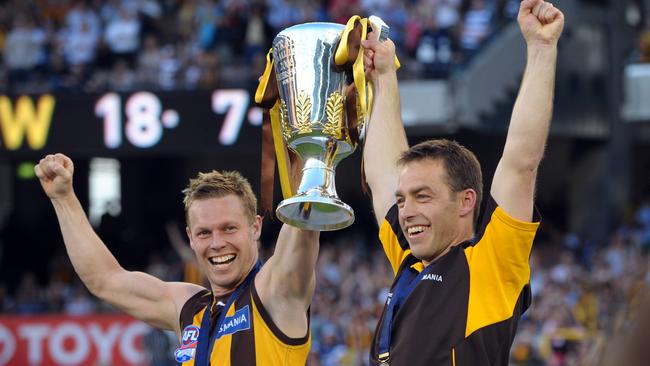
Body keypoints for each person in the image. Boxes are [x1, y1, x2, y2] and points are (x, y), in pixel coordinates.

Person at [361, 0, 564, 365]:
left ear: (466, 201)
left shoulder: (489, 262)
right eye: (403, 199)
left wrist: (541, 49)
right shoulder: (409, 262)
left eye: (422, 196)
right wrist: (384, 75)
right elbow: (381, 176)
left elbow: (521, 162)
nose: (406, 212)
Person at [35, 154, 318, 365]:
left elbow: (301, 235)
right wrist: (63, 197)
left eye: (229, 228)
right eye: (204, 232)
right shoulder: (189, 307)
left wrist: (314, 157)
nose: (217, 243)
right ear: (190, 238)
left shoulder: (274, 293)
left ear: (255, 227)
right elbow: (105, 280)